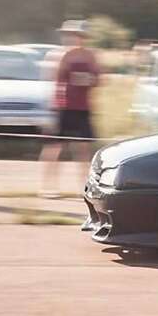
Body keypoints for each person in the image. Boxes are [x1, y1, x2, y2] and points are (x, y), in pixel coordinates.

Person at [39, 20, 100, 198]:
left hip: (83, 108)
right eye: (72, 35)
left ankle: (85, 188)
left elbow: (98, 79)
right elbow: (52, 78)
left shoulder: (90, 56)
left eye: (80, 36)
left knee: (84, 149)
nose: (76, 39)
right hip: (63, 107)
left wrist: (87, 80)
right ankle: (47, 187)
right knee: (54, 147)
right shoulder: (58, 55)